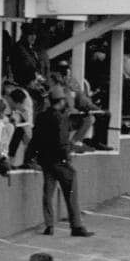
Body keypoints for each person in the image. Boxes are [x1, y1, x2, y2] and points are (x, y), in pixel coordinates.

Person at [28, 87, 93, 237]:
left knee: (48, 193)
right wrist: (66, 156)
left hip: (45, 159)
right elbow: (62, 140)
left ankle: (49, 225)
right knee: (70, 190)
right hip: (59, 159)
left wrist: (30, 156)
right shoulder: (61, 118)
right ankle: (76, 225)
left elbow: (35, 139)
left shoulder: (41, 116)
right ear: (62, 101)